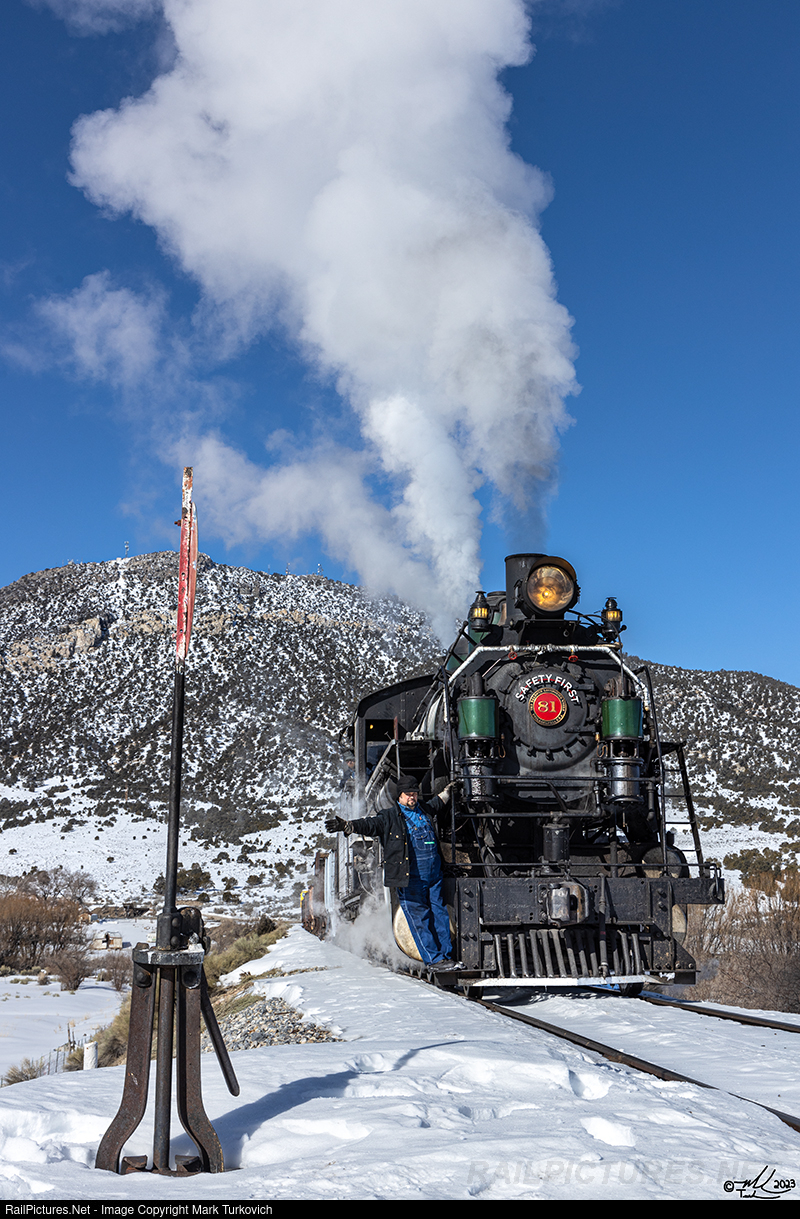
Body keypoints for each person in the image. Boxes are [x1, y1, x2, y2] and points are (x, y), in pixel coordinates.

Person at [326, 774, 458, 967]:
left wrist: (447, 793)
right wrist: (349, 826)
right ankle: (434, 960)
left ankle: (447, 955)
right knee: (419, 918)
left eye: (414, 793)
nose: (412, 797)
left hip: (434, 876)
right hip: (411, 878)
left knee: (440, 914)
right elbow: (370, 825)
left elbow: (436, 804)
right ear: (400, 795)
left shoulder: (424, 809)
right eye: (408, 794)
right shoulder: (388, 817)